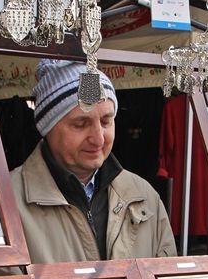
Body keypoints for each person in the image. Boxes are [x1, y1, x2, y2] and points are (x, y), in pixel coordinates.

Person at [11, 59, 176, 263]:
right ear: (47, 128)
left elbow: (167, 278)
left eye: (106, 121)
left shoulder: (144, 196)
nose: (98, 139)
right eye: (81, 124)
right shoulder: (7, 203)